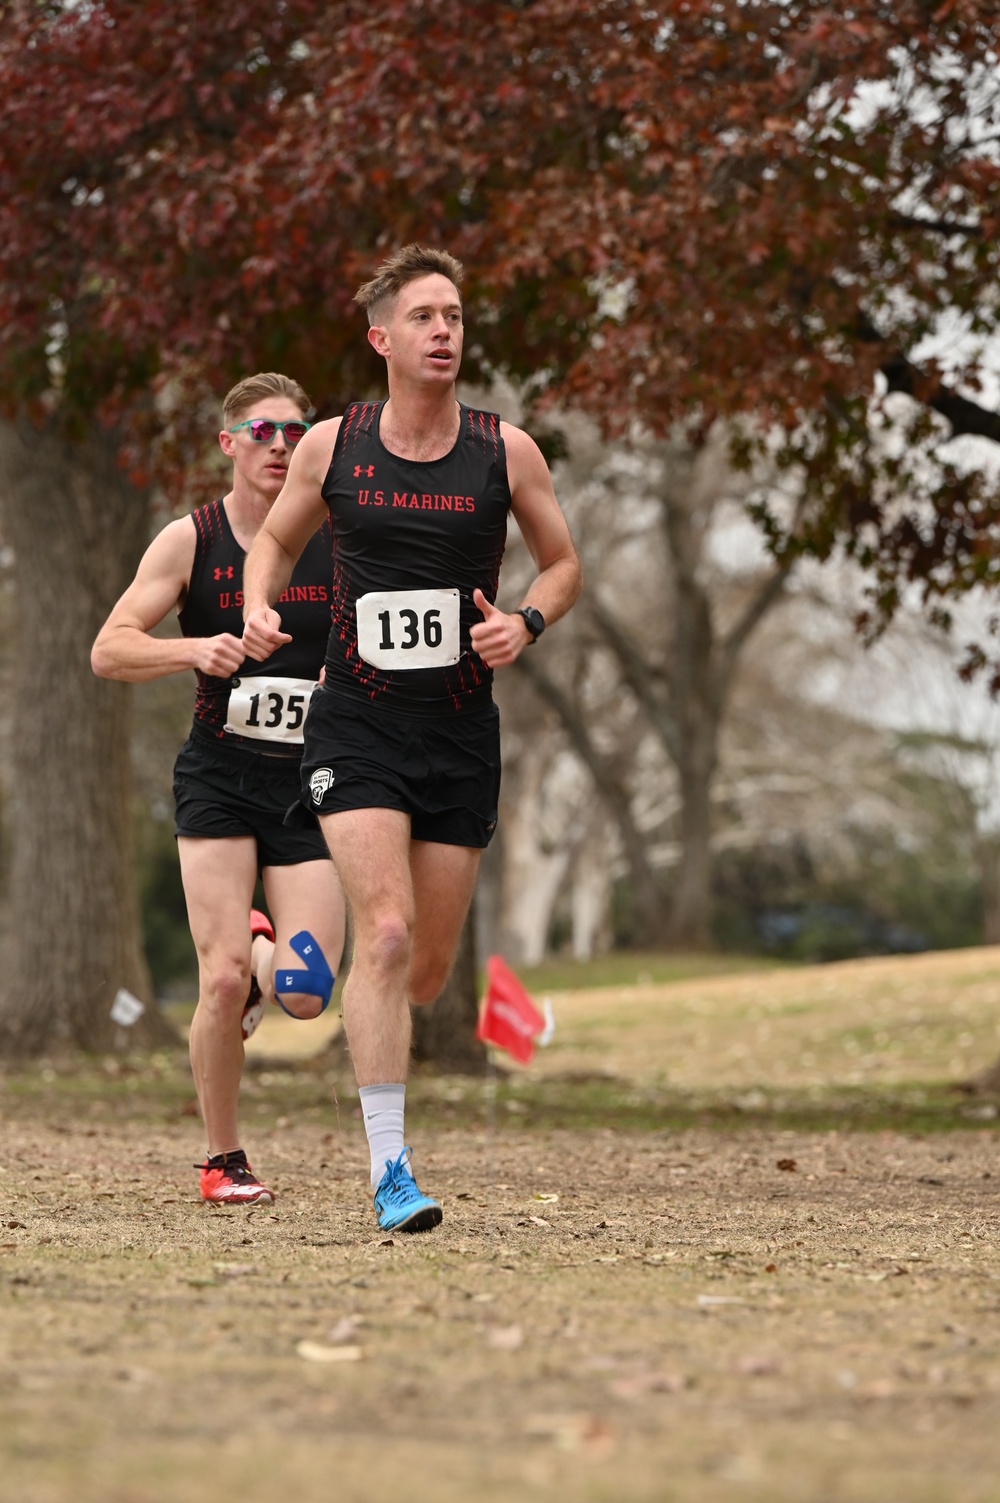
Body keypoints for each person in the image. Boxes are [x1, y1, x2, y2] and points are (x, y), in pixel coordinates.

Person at [241, 247, 582, 1233]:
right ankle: (392, 1171)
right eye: (425, 316)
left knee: (425, 970)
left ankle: (303, 965)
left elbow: (561, 566)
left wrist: (525, 623)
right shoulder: (332, 447)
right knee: (384, 933)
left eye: (457, 316)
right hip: (356, 720)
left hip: (459, 732)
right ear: (382, 338)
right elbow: (271, 541)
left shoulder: (505, 452)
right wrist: (261, 605)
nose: (445, 331)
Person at [91, 372, 346, 1206]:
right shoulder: (189, 540)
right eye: (263, 431)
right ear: (228, 442)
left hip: (315, 780)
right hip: (220, 775)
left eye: (294, 432)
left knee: (304, 994)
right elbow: (110, 649)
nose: (280, 445)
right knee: (223, 977)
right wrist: (192, 651)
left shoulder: (340, 537)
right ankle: (222, 1160)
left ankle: (265, 935)